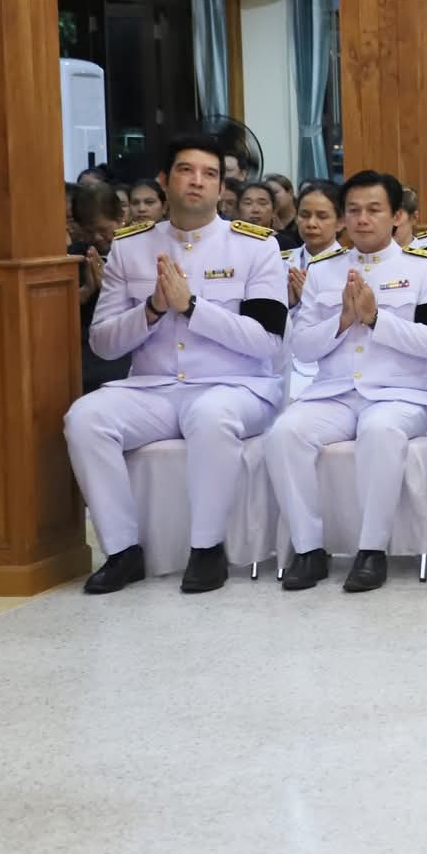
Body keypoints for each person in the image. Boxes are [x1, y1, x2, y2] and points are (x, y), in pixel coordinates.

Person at [67, 137, 289, 594]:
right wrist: (150, 308)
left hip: (236, 387)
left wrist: (192, 308)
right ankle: (123, 550)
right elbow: (104, 344)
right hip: (154, 389)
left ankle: (206, 550)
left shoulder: (256, 247)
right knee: (84, 419)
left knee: (210, 416)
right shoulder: (130, 249)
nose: (197, 181)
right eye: (186, 171)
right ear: (165, 182)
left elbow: (267, 341)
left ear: (221, 188)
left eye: (209, 174)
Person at [263, 172, 427, 592]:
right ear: (343, 219)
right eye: (354, 211)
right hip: (335, 393)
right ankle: (309, 549)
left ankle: (371, 551)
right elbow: (305, 348)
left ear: (397, 215)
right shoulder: (324, 271)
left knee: (380, 431)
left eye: (374, 210)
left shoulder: (426, 270)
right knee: (284, 434)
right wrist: (344, 319)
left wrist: (375, 319)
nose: (363, 219)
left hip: (400, 394)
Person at [70, 182, 130, 391]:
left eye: (103, 230)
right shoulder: (72, 257)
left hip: (127, 346)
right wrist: (86, 291)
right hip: (82, 348)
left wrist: (113, 287)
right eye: (88, 231)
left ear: (121, 217)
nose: (96, 238)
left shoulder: (141, 251)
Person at [283, 180, 345, 310]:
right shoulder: (278, 261)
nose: (311, 223)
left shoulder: (351, 267)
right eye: (304, 215)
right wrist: (289, 304)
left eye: (322, 217)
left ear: (340, 222)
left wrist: (307, 299)